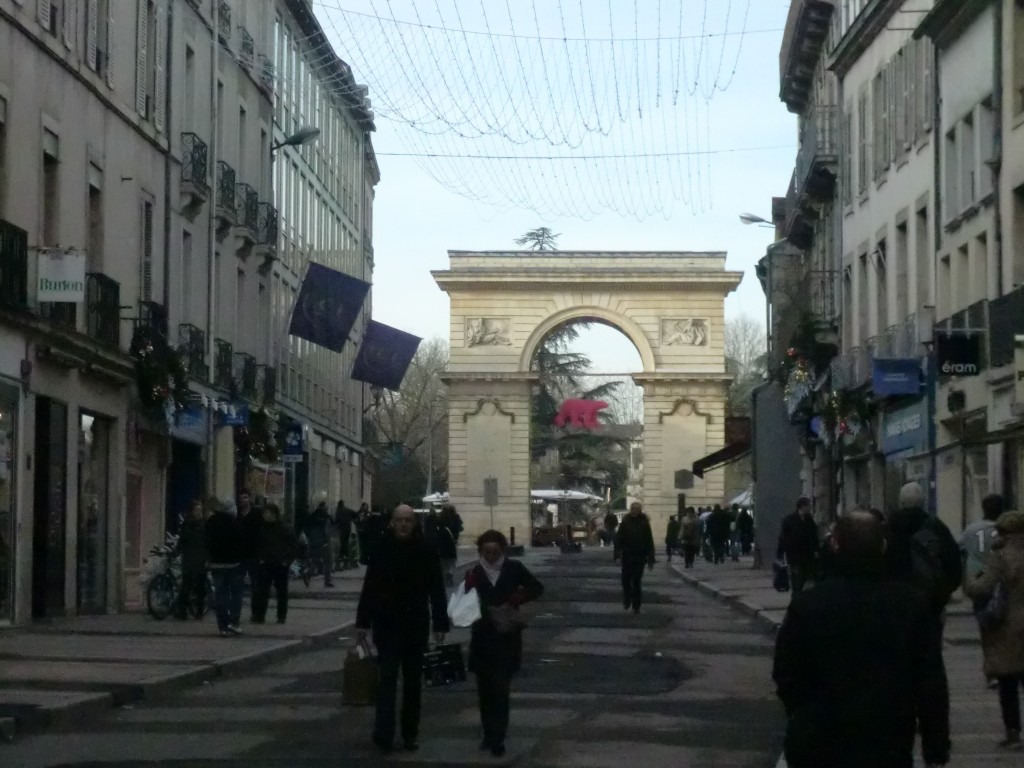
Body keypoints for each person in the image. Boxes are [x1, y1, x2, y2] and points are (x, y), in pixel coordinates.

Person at [773, 511, 950, 768]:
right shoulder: (909, 605)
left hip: (819, 741)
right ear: (883, 547)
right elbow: (930, 680)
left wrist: (804, 714)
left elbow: (786, 673)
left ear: (834, 545)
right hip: (887, 741)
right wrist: (936, 747)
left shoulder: (808, 605)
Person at [355, 504, 449, 753]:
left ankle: (410, 733)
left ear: (414, 523)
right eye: (399, 520)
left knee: (412, 685)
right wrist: (362, 621)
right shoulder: (381, 549)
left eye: (408, 520)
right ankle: (383, 733)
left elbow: (437, 590)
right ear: (392, 523)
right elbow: (370, 587)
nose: (404, 524)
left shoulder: (426, 551)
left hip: (415, 625)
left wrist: (440, 623)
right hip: (386, 624)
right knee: (386, 681)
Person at [464, 530, 543, 757]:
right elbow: (463, 601)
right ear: (480, 551)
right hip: (481, 637)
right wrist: (467, 589)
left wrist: (520, 597)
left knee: (500, 690)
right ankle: (488, 734)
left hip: (506, 637)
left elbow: (537, 587)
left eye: (494, 551)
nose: (490, 555)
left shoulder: (514, 568)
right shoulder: (474, 572)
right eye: (486, 551)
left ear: (502, 550)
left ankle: (498, 737)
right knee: (485, 691)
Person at [965, 510, 1024, 750]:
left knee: (1008, 682)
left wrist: (968, 579)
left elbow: (981, 588)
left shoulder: (999, 556)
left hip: (1007, 628)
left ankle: (1013, 733)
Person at [887, 482, 962, 619]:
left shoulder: (888, 529)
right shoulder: (936, 527)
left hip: (894, 602)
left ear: (901, 502)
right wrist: (941, 595)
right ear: (923, 502)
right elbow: (953, 565)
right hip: (929, 603)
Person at [251, 503, 298, 624]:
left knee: (282, 592)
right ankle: (260, 615)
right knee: (262, 590)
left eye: (267, 513)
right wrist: (260, 559)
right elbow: (257, 545)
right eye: (264, 513)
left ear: (274, 514)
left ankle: (281, 615)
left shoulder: (284, 528)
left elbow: (293, 546)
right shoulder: (262, 528)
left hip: (280, 564)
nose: (265, 516)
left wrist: (286, 561)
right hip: (266, 563)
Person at [206, 497, 245, 636]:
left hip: (216, 564)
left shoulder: (211, 522)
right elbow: (241, 543)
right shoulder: (235, 522)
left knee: (220, 594)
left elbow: (206, 541)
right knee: (236, 593)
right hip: (233, 564)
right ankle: (234, 622)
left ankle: (222, 626)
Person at [614, 501, 655, 613]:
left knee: (637, 581)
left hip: (640, 556)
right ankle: (627, 598)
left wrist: (651, 559)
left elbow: (649, 541)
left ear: (640, 510)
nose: (635, 510)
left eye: (637, 509)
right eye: (633, 508)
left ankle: (636, 605)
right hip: (627, 555)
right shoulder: (626, 522)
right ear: (631, 509)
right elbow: (619, 539)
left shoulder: (644, 523)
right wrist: (617, 555)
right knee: (625, 580)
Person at [776, 497, 820, 592]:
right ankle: (796, 597)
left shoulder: (809, 520)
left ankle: (800, 597)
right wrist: (780, 554)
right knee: (796, 579)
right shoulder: (789, 520)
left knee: (805, 578)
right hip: (794, 555)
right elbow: (783, 538)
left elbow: (814, 536)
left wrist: (817, 550)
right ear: (802, 506)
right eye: (809, 506)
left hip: (808, 555)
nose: (810, 508)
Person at [174, 500, 208, 620]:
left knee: (200, 588)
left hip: (201, 559)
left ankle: (199, 611)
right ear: (192, 512)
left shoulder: (204, 525)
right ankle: (182, 611)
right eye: (197, 510)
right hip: (189, 559)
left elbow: (208, 542)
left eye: (200, 510)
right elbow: (182, 541)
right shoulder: (187, 525)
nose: (199, 513)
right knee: (186, 587)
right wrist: (176, 551)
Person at [305, 494, 334, 588]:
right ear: (325, 507)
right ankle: (327, 581)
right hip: (324, 542)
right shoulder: (327, 517)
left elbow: (307, 529)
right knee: (328, 562)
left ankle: (308, 574)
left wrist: (310, 539)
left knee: (315, 561)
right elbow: (328, 530)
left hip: (314, 542)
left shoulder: (312, 516)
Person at [335, 500, 356, 570]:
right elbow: (355, 514)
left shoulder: (338, 511)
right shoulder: (347, 510)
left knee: (343, 545)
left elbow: (336, 521)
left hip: (342, 530)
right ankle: (346, 563)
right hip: (348, 529)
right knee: (345, 544)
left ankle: (341, 562)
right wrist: (352, 519)